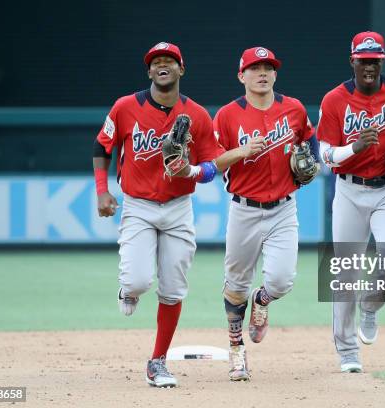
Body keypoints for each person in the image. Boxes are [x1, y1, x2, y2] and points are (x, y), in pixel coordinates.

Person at [93, 41, 264, 388]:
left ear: (181, 69)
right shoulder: (126, 107)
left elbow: (211, 167)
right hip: (139, 206)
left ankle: (157, 362)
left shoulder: (197, 115)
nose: (162, 65)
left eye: (169, 60)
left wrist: (191, 171)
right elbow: (102, 146)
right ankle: (128, 288)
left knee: (172, 290)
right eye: (156, 61)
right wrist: (102, 190)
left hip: (177, 209)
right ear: (149, 71)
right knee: (138, 281)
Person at [316, 31, 385, 373]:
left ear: (382, 61)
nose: (369, 66)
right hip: (349, 190)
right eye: (363, 61)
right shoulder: (334, 100)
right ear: (352, 61)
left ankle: (371, 307)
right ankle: (348, 350)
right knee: (347, 272)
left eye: (375, 61)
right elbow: (324, 156)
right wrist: (355, 148)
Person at [213, 46, 319, 381]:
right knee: (235, 286)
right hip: (244, 209)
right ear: (241, 75)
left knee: (281, 281)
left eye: (268, 68)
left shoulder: (294, 109)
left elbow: (310, 142)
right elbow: (213, 162)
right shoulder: (228, 115)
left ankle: (262, 300)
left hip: (283, 208)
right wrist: (241, 151)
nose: (263, 73)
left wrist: (310, 162)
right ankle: (236, 350)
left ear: (275, 74)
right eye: (255, 68)